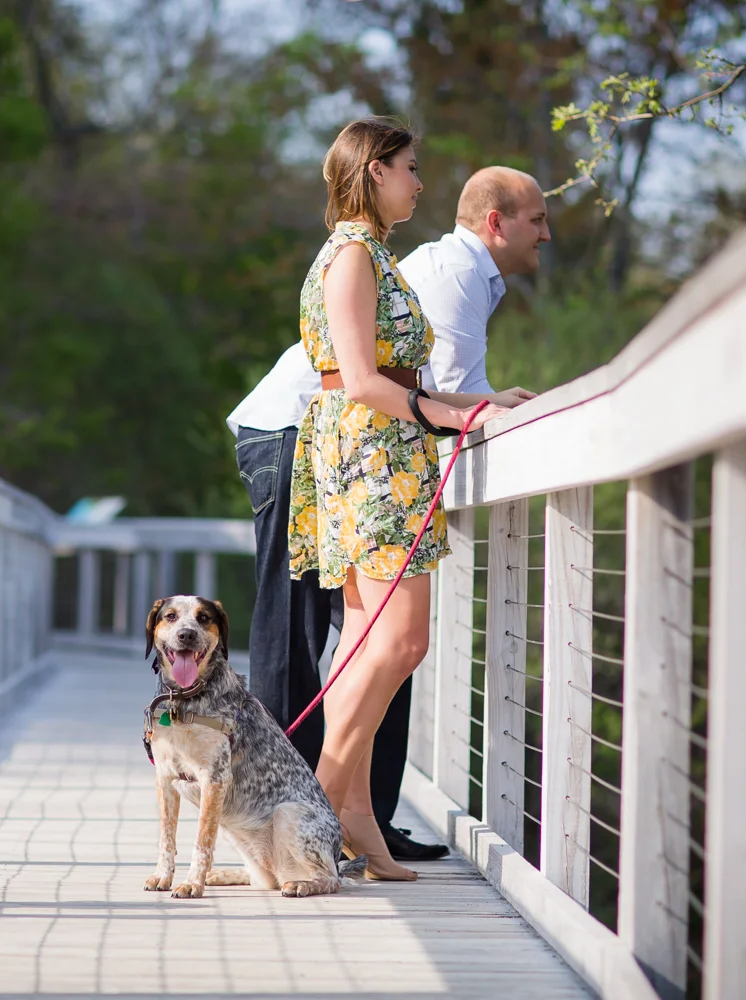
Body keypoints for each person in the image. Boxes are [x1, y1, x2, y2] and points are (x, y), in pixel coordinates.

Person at [228, 165, 550, 865]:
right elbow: (410, 388)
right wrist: (467, 406)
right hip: (304, 436)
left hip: (361, 445)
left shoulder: (428, 265)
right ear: (496, 222)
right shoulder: (440, 269)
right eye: (538, 221)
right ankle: (282, 818)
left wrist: (482, 400)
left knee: (369, 644)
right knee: (300, 638)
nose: (547, 235)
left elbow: (442, 384)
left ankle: (352, 810)